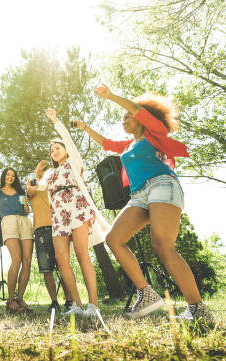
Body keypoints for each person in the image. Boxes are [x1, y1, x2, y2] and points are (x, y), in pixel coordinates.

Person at [76, 83, 214, 324]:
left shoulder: (154, 133)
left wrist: (111, 96)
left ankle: (198, 309)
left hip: (162, 184)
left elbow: (137, 110)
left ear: (142, 118)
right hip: (140, 195)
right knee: (114, 239)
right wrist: (85, 127)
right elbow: (107, 143)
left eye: (128, 117)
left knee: (162, 245)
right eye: (123, 118)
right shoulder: (128, 145)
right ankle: (146, 293)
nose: (124, 120)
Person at [28, 108, 110, 319]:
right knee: (61, 258)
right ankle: (77, 305)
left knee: (83, 254)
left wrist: (56, 121)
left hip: (76, 208)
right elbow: (42, 185)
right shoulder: (50, 172)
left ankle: (93, 305)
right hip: (59, 216)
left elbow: (69, 142)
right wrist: (34, 183)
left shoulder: (73, 163)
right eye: (51, 150)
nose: (54, 151)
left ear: (64, 150)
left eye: (57, 147)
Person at [26, 160, 70, 313]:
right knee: (47, 269)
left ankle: (70, 300)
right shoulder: (32, 186)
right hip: (41, 230)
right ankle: (54, 302)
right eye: (39, 172)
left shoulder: (51, 184)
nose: (41, 173)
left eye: (43, 172)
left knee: (63, 265)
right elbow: (30, 189)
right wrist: (36, 170)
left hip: (58, 227)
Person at [0, 166, 33, 313]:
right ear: (4, 176)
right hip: (8, 221)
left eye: (13, 175)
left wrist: (25, 202)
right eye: (8, 174)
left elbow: (26, 211)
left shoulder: (20, 192)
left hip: (24, 222)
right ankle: (11, 299)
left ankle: (20, 299)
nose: (10, 177)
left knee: (27, 262)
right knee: (17, 259)